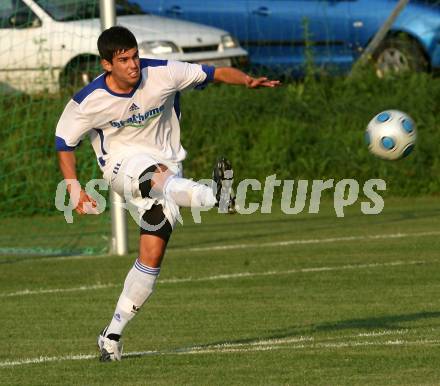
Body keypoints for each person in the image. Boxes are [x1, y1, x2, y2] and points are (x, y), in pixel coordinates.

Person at [55, 25, 280, 362]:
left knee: (152, 253)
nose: (134, 65)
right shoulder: (88, 101)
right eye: (124, 60)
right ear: (107, 65)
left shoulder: (164, 72)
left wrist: (247, 80)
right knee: (152, 175)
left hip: (169, 169)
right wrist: (74, 187)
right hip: (122, 167)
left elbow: (215, 72)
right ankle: (214, 195)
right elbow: (64, 142)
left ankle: (112, 335)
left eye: (135, 56)